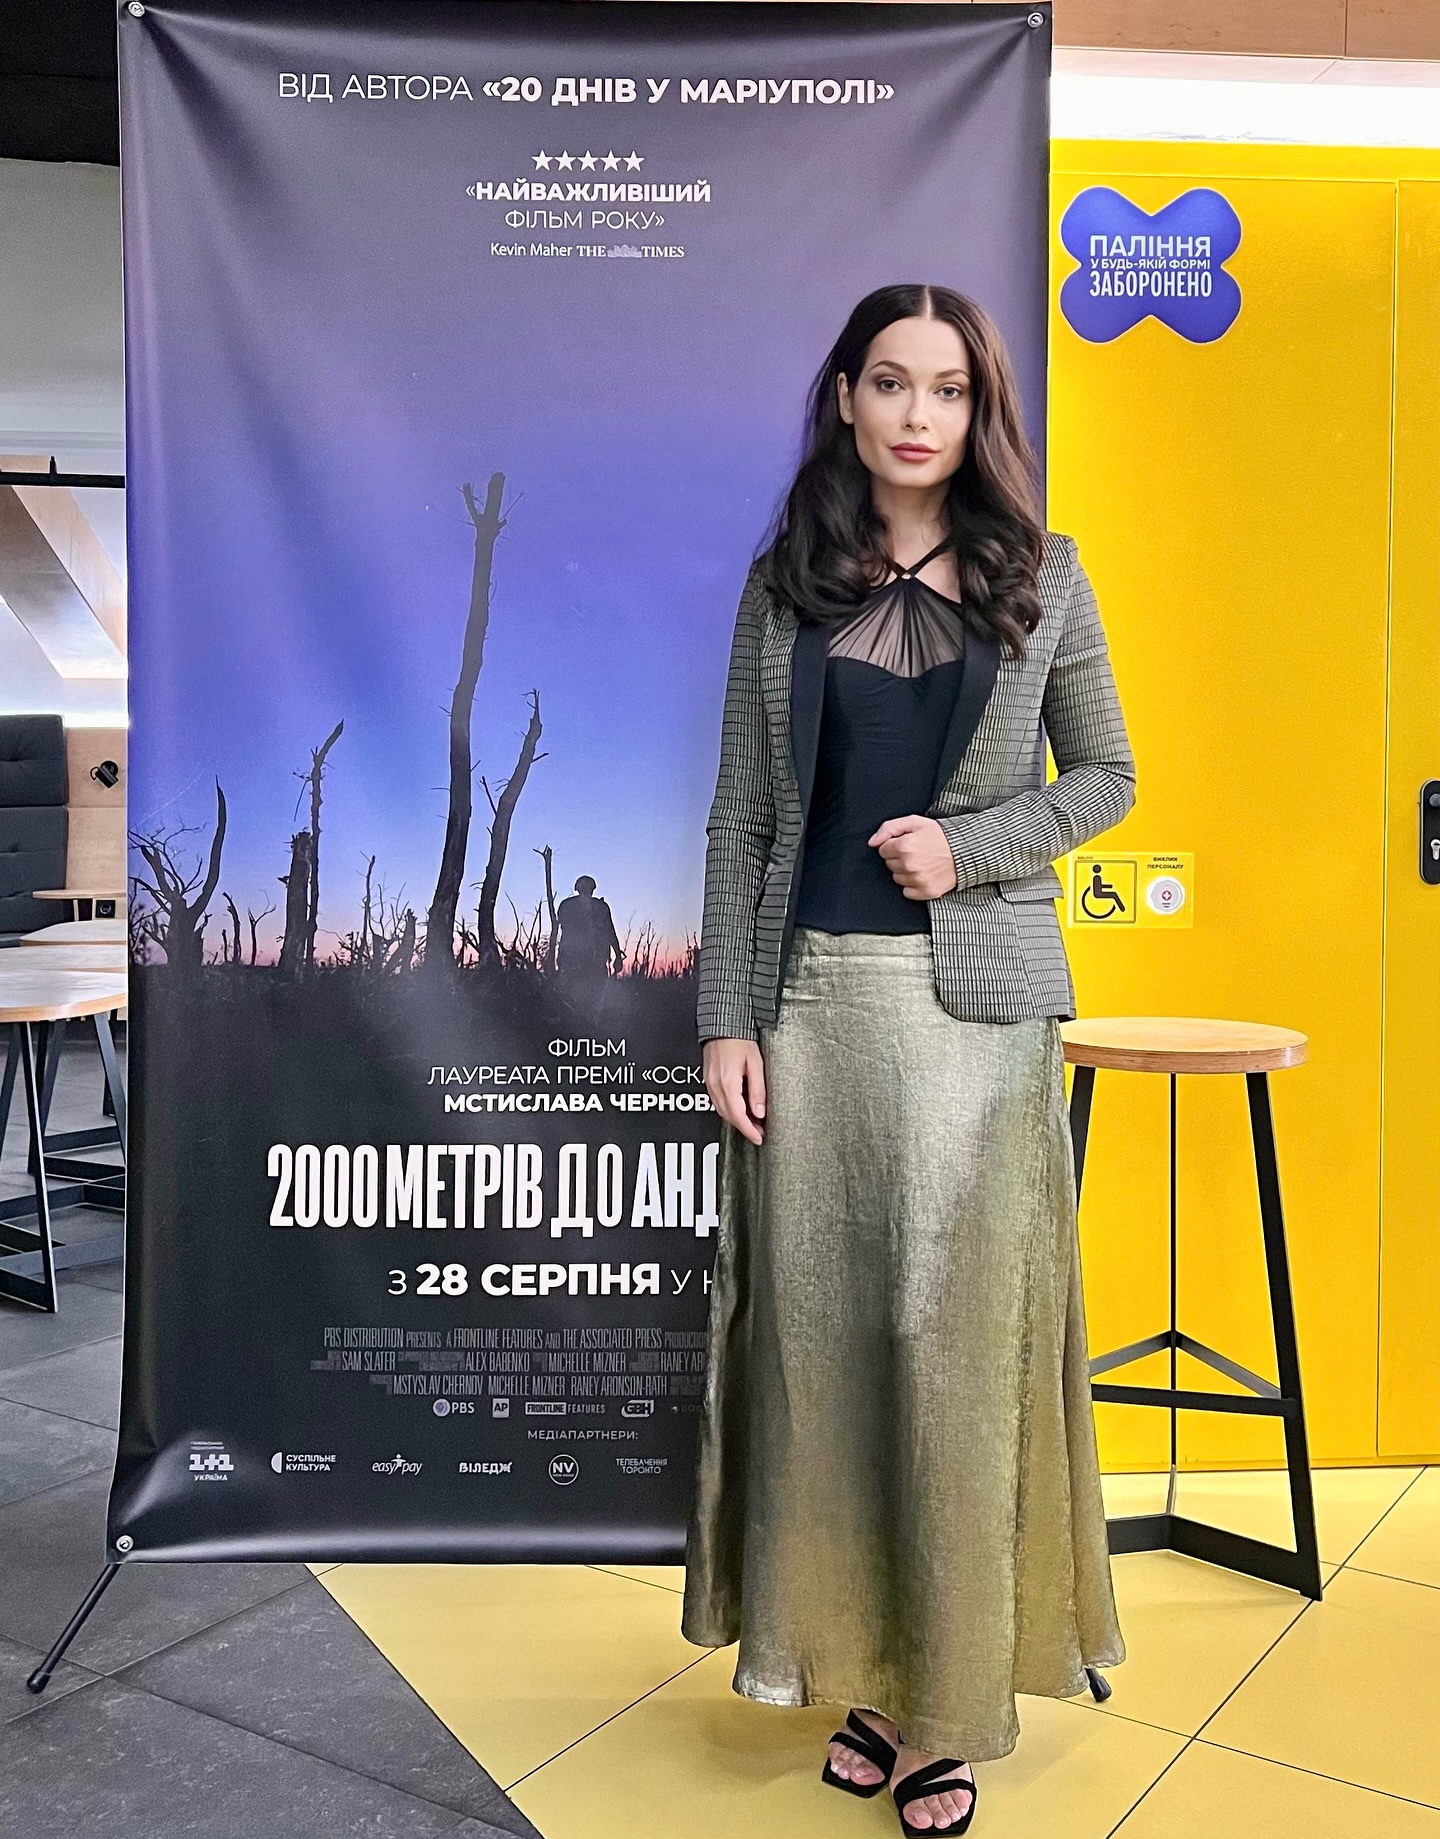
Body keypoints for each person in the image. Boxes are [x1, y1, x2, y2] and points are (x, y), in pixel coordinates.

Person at [681, 284, 1134, 1836]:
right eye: (891, 382)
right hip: (809, 1004)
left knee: (953, 1353)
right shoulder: (786, 587)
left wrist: (972, 846)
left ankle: (948, 1706)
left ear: (979, 408)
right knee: (828, 1350)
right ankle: (865, 1674)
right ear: (847, 397)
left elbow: (1109, 776)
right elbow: (745, 814)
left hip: (978, 1025)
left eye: (948, 388)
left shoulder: (1043, 574)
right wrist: (725, 1014)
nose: (918, 413)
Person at [554, 874, 624, 981]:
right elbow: (610, 932)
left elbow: (609, 932)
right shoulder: (601, 907)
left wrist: (618, 955)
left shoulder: (566, 905)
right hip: (582, 961)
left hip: (577, 961)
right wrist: (618, 955)